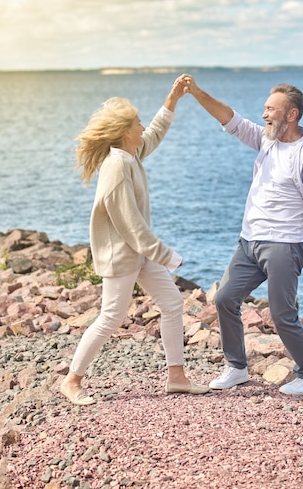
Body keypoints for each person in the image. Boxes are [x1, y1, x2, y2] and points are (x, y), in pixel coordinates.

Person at [184, 76, 303, 396]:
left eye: (271, 109)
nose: (264, 114)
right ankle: (237, 368)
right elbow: (230, 117)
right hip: (249, 241)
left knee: (282, 314)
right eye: (264, 109)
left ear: (291, 114)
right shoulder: (267, 140)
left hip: (284, 245)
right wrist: (197, 92)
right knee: (225, 298)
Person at [60, 75, 208, 405]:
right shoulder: (115, 166)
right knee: (111, 317)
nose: (142, 127)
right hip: (122, 256)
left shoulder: (131, 155)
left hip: (139, 255)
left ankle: (177, 378)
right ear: (126, 131)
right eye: (137, 123)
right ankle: (71, 380)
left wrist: (172, 99)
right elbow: (130, 224)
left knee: (172, 304)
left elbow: (154, 133)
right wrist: (166, 255)